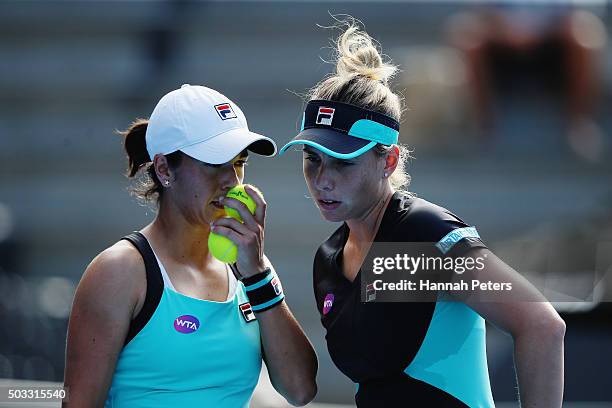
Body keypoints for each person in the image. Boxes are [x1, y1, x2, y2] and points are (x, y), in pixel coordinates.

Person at [280, 23, 565, 407]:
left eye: (343, 163)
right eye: (312, 160)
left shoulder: (418, 239)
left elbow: (541, 325)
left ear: (389, 160)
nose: (322, 180)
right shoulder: (329, 259)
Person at [63, 84, 318, 407]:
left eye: (239, 163)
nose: (232, 181)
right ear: (164, 169)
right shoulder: (118, 271)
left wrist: (257, 275)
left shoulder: (251, 268)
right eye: (215, 163)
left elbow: (300, 390)